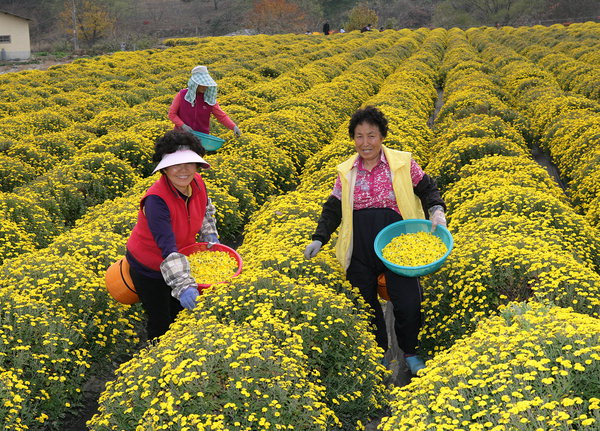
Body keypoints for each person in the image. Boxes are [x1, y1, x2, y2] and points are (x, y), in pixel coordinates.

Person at [303, 106, 447, 375]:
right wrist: (319, 238)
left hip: (398, 245)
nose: (365, 143)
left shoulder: (402, 163)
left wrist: (436, 211)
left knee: (408, 302)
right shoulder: (347, 171)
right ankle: (379, 352)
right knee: (365, 302)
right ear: (352, 139)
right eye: (359, 136)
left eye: (371, 135)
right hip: (360, 246)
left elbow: (428, 189)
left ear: (382, 136)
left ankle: (410, 352)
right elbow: (333, 207)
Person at [126, 130, 220, 340]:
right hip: (150, 265)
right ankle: (155, 358)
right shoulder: (156, 200)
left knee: (180, 313)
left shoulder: (197, 183)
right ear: (165, 169)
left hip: (182, 257)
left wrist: (209, 236)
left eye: (189, 163)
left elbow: (205, 210)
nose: (183, 170)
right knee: (161, 320)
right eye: (175, 164)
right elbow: (167, 249)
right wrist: (185, 286)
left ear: (197, 165)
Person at [168, 65, 241, 138]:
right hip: (181, 135)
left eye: (206, 84)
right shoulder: (182, 95)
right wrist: (182, 125)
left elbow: (221, 116)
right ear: (195, 84)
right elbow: (172, 114)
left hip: (202, 137)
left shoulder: (209, 98)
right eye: (202, 84)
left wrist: (233, 126)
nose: (205, 87)